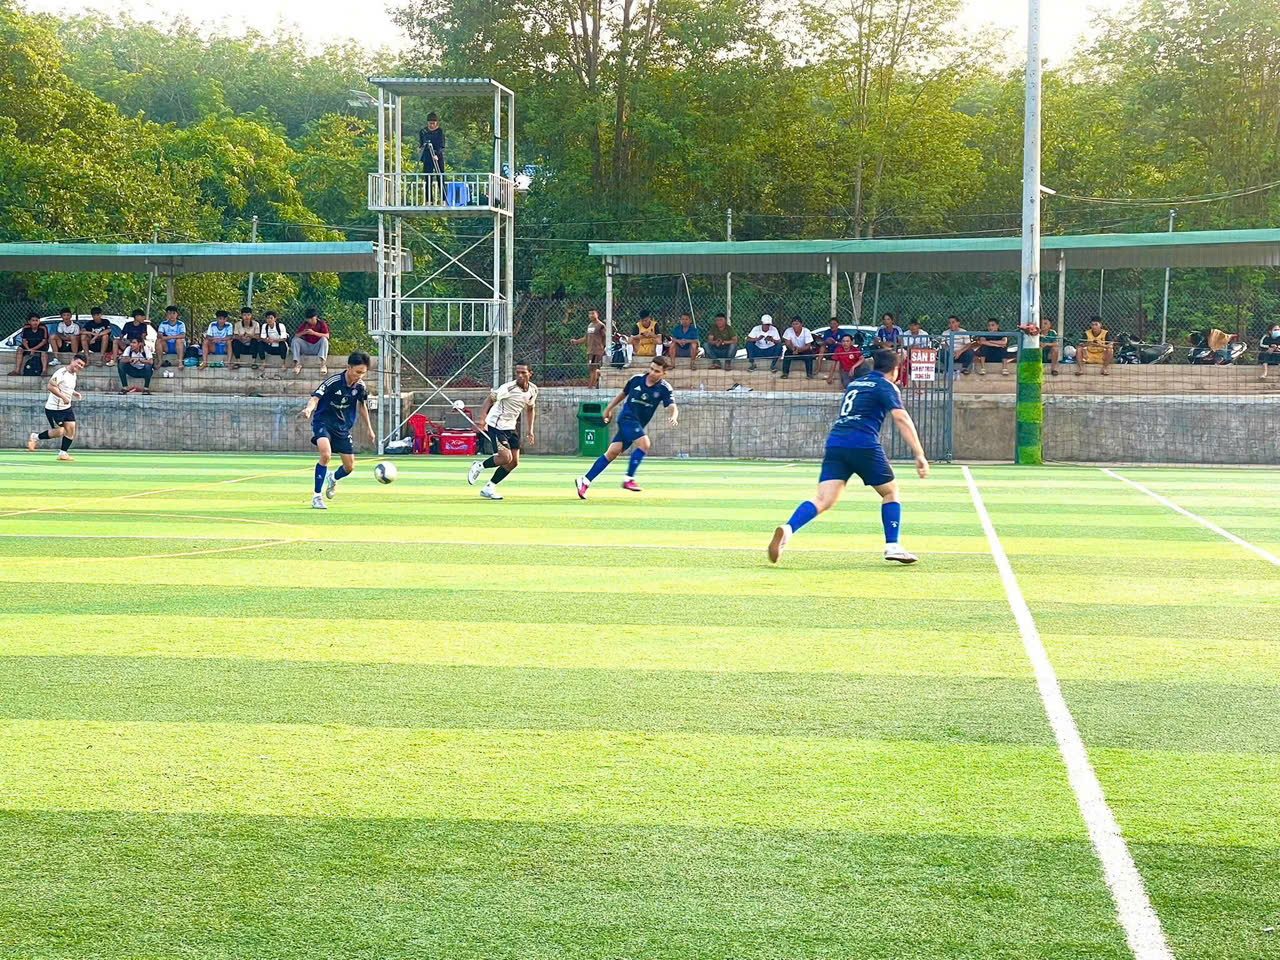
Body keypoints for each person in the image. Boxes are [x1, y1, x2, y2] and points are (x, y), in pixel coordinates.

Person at [768, 349, 929, 566]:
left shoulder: (855, 384)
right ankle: (893, 546)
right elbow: (901, 418)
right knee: (890, 492)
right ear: (895, 370)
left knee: (823, 499)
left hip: (836, 443)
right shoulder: (886, 385)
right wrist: (919, 454)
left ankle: (788, 529)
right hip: (863, 443)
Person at [575, 354, 678, 497]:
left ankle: (584, 481)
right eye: (651, 369)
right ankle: (629, 479)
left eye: (657, 371)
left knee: (612, 453)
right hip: (626, 418)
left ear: (664, 373)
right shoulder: (636, 379)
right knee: (645, 444)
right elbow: (623, 394)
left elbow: (672, 405)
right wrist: (608, 409)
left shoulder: (665, 388)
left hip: (637, 424)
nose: (652, 373)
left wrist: (673, 416)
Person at [299, 351, 376, 510]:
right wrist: (308, 409)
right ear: (349, 367)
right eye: (358, 372)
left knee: (349, 467)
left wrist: (369, 428)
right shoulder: (333, 382)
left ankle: (333, 478)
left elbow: (362, 406)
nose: (360, 376)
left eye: (363, 373)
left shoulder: (360, 386)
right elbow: (315, 397)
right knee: (325, 455)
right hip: (323, 422)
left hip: (342, 427)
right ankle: (317, 497)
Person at [467, 362, 538, 500]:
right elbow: (489, 400)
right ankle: (479, 466)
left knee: (514, 462)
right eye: (517, 372)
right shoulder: (508, 388)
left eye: (523, 372)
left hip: (510, 427)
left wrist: (530, 430)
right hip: (496, 426)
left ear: (530, 373)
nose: (520, 375)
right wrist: (482, 420)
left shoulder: (533, 390)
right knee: (505, 458)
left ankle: (489, 487)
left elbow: (530, 408)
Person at [27, 353, 86, 461]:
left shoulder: (73, 374)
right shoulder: (61, 373)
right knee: (60, 432)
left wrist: (74, 393)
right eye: (78, 363)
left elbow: (65, 387)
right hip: (54, 409)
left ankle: (63, 454)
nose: (80, 366)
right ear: (72, 360)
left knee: (71, 429)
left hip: (66, 408)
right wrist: (63, 397)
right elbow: (50, 386)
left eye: (82, 365)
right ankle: (35, 437)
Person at [569, 309, 606, 387]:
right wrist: (576, 341)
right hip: (590, 350)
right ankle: (599, 375)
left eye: (593, 313)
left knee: (593, 368)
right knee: (591, 368)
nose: (591, 315)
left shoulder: (601, 325)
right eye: (589, 314)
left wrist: (604, 348)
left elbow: (605, 337)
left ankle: (591, 386)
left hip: (597, 350)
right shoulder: (590, 325)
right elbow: (586, 337)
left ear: (597, 314)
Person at [292, 308, 330, 375]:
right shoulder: (305, 325)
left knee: (324, 340)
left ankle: (323, 365)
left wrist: (313, 333)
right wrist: (304, 332)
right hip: (307, 347)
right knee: (295, 340)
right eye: (309, 319)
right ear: (306, 319)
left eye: (312, 319)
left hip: (317, 348)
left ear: (316, 317)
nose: (311, 321)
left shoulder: (321, 324)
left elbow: (327, 336)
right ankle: (297, 364)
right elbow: (296, 336)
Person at [419, 111, 445, 198]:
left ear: (436, 123)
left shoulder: (439, 131)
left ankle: (443, 199)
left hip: (438, 156)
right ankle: (428, 200)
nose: (432, 125)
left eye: (433, 123)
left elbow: (441, 145)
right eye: (430, 123)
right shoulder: (423, 131)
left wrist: (436, 154)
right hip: (427, 156)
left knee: (440, 177)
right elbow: (421, 144)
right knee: (428, 178)